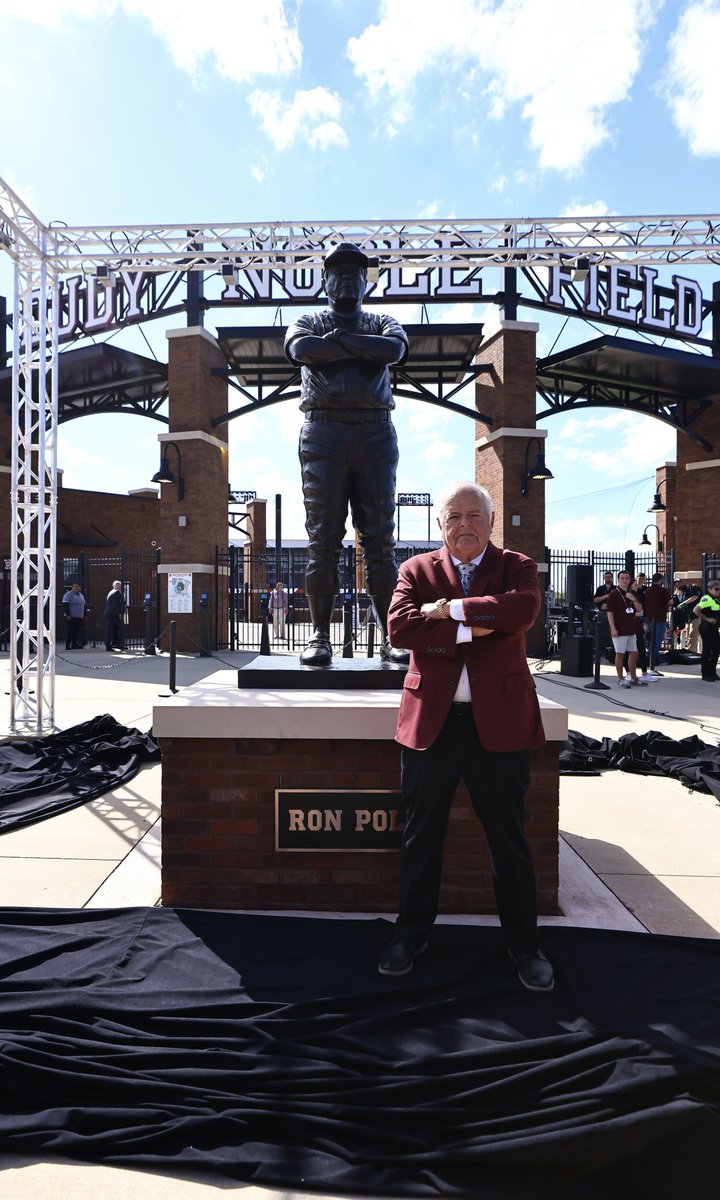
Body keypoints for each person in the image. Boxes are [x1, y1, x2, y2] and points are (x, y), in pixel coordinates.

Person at [379, 481, 554, 993]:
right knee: (420, 835)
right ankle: (410, 935)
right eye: (453, 516)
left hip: (498, 726)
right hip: (431, 725)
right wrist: (475, 626)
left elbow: (520, 611)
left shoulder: (517, 566)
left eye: (473, 515)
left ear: (491, 521)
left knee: (509, 838)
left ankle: (524, 945)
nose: (464, 524)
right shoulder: (416, 570)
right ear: (440, 525)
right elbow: (401, 630)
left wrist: (449, 610)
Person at [284, 242, 409, 666]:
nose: (346, 280)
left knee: (379, 542)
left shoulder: (383, 321)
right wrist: (361, 347)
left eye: (355, 274)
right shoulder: (307, 320)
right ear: (324, 281)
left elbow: (393, 351)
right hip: (324, 431)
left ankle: (392, 636)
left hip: (374, 431)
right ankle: (320, 636)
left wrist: (338, 343)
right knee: (323, 541)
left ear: (365, 283)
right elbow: (304, 350)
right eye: (337, 273)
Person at [606, 571, 646, 687]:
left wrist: (633, 599)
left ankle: (633, 677)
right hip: (619, 630)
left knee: (634, 653)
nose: (625, 580)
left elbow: (639, 609)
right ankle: (620, 678)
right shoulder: (614, 593)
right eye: (622, 578)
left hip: (631, 629)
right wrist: (613, 628)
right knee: (620, 654)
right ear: (618, 580)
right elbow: (610, 612)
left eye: (627, 578)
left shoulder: (631, 593)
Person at [645, 572, 671, 674]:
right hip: (660, 618)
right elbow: (671, 601)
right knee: (658, 639)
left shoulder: (648, 590)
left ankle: (650, 657)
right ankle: (654, 658)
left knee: (653, 638)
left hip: (650, 617)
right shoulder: (662, 590)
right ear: (660, 580)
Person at [695, 579, 720, 681]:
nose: (718, 591)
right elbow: (696, 610)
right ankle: (705, 674)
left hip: (713, 628)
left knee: (716, 650)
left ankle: (712, 672)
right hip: (707, 628)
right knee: (707, 651)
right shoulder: (706, 598)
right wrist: (708, 619)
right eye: (716, 589)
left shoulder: (715, 600)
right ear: (710, 589)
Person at [103, 579, 126, 651]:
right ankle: (117, 644)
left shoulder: (111, 592)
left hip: (110, 613)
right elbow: (116, 605)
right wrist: (120, 613)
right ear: (116, 586)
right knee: (120, 628)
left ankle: (114, 644)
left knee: (112, 629)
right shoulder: (117, 593)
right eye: (120, 586)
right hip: (113, 614)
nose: (121, 588)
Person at [62, 581, 86, 650]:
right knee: (70, 631)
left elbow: (83, 605)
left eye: (77, 586)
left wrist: (85, 614)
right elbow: (65, 605)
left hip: (79, 616)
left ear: (80, 588)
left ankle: (74, 644)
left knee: (76, 631)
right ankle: (67, 645)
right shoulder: (68, 594)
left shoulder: (81, 595)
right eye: (74, 586)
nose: (75, 588)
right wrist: (68, 614)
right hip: (71, 617)